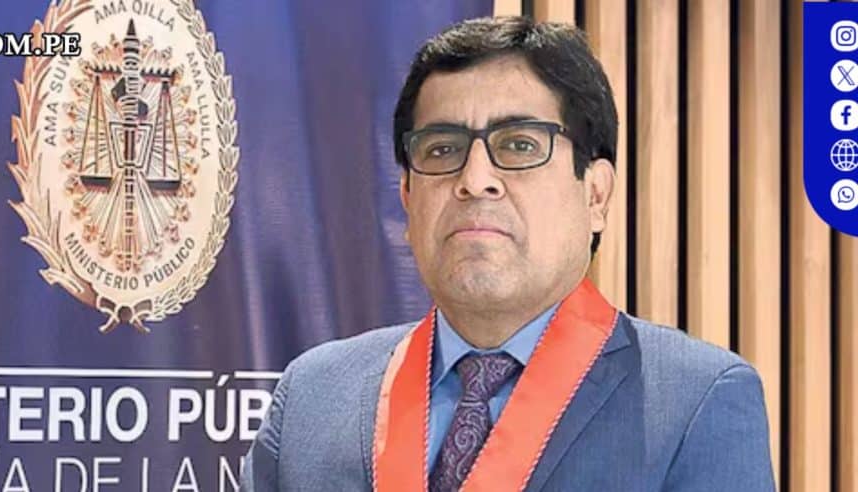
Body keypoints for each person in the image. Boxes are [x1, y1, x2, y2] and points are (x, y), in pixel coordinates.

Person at [242, 16, 775, 492]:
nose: (475, 179)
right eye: (442, 149)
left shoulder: (695, 403)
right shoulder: (313, 398)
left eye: (519, 144)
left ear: (595, 195)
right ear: (406, 196)